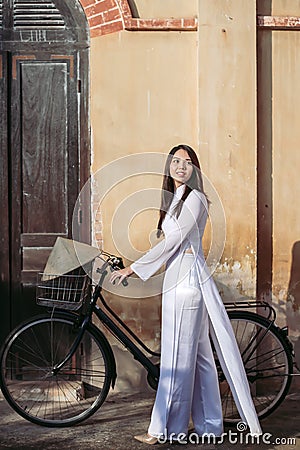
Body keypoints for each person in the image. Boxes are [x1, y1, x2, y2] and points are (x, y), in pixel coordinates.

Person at [110, 144, 262, 444]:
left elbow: (176, 239)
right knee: (202, 358)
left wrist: (134, 268)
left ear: (195, 169)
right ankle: (208, 427)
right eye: (176, 161)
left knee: (176, 358)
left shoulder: (196, 199)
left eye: (188, 162)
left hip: (187, 283)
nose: (181, 166)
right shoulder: (175, 199)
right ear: (168, 167)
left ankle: (162, 429)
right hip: (179, 279)